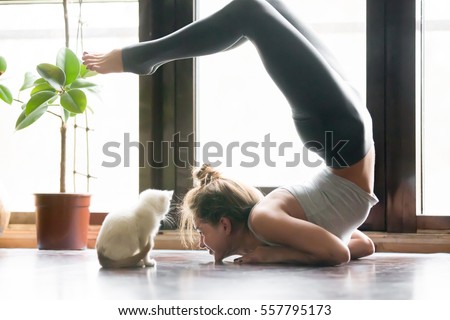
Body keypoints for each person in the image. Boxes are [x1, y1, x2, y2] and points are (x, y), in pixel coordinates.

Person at [83, 0, 378, 266]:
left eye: (200, 231)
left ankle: (140, 58)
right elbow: (357, 246)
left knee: (252, 10)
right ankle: (141, 58)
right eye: (201, 232)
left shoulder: (265, 219)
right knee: (251, 11)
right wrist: (276, 251)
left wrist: (275, 256)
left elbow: (342, 250)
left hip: (342, 134)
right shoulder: (270, 226)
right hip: (343, 133)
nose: (201, 243)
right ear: (225, 224)